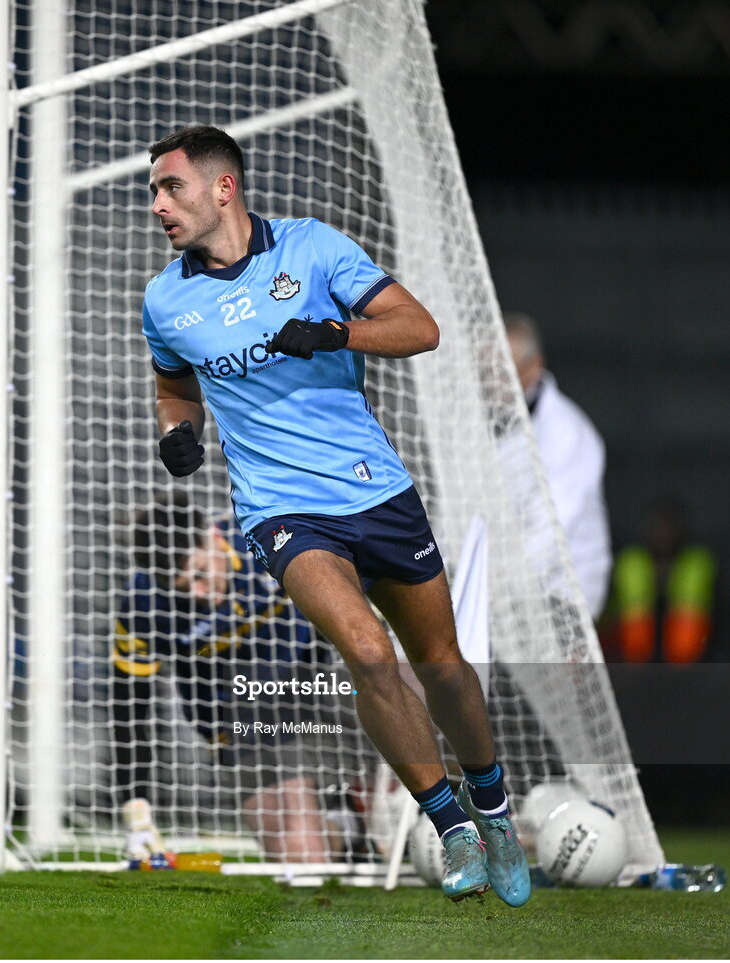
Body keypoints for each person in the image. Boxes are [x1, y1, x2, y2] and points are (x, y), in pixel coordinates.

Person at [139, 125, 529, 905]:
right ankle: (451, 825)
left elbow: (421, 329)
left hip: (375, 490)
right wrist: (177, 434)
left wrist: (336, 331)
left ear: (223, 188)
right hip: (281, 510)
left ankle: (494, 808)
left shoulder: (313, 249)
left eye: (169, 187)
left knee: (443, 667)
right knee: (365, 647)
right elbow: (175, 386)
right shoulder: (165, 299)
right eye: (152, 192)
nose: (157, 206)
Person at [112, 497, 358, 862]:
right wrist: (137, 813)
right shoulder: (142, 607)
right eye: (182, 587)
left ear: (212, 537)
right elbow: (130, 708)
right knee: (300, 856)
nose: (198, 594)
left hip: (311, 685)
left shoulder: (269, 541)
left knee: (305, 854)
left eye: (199, 573)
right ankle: (355, 827)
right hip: (236, 723)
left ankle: (374, 803)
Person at [504, 312, 612, 620]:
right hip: (511, 589)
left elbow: (551, 531)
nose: (494, 379)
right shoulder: (491, 419)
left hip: (566, 594)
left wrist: (498, 588)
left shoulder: (568, 432)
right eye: (488, 368)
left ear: (534, 367)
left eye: (505, 370)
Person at [605, 499, 717, 663]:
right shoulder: (630, 563)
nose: (664, 533)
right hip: (632, 663)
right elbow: (609, 617)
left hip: (690, 665)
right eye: (659, 526)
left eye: (670, 526)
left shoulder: (699, 563)